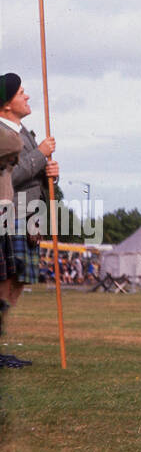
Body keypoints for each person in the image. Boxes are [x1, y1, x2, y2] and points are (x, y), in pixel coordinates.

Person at [0, 74, 55, 368]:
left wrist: (49, 170)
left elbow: (32, 174)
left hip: (29, 216)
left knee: (18, 283)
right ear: (7, 104)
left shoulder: (24, 132)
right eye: (22, 93)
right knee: (6, 282)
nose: (28, 96)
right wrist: (40, 155)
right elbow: (12, 175)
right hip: (12, 216)